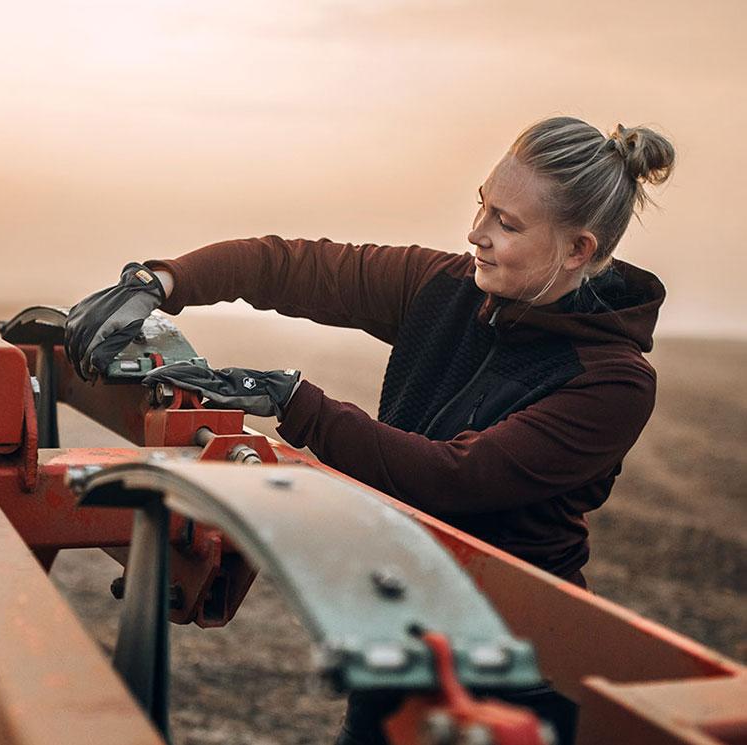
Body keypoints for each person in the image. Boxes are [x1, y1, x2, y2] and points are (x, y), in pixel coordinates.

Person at [64, 116, 675, 743]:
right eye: (482, 206)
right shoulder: (446, 289)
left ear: (579, 249)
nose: (476, 235)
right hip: (400, 634)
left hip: (512, 670)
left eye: (507, 224)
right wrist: (161, 282)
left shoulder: (612, 383)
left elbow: (454, 479)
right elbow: (295, 267)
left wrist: (295, 401)